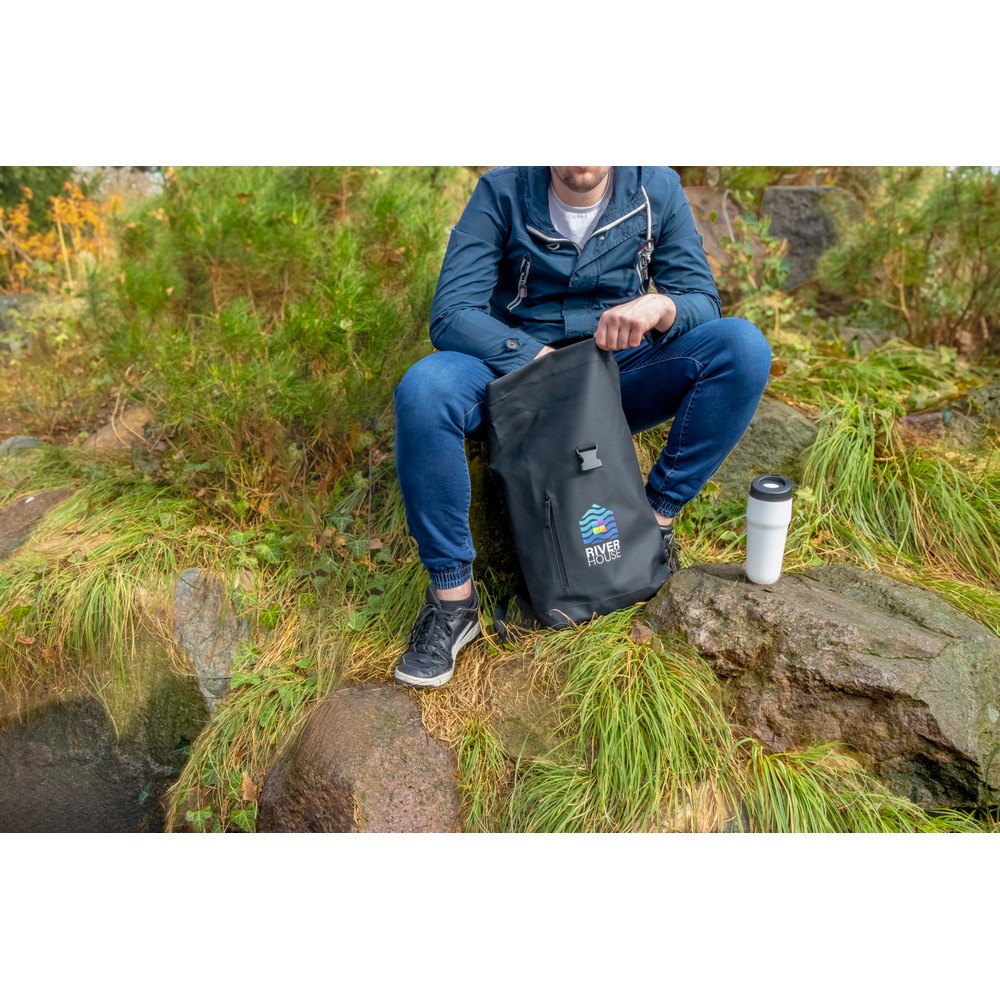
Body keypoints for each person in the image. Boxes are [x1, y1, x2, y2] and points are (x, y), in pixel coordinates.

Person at [392, 166, 771, 688]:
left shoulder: (655, 188)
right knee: (425, 388)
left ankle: (652, 528)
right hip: (513, 378)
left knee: (742, 347)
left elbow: (702, 302)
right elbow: (452, 313)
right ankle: (453, 602)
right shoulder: (501, 192)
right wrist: (536, 359)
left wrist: (659, 305)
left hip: (613, 377)